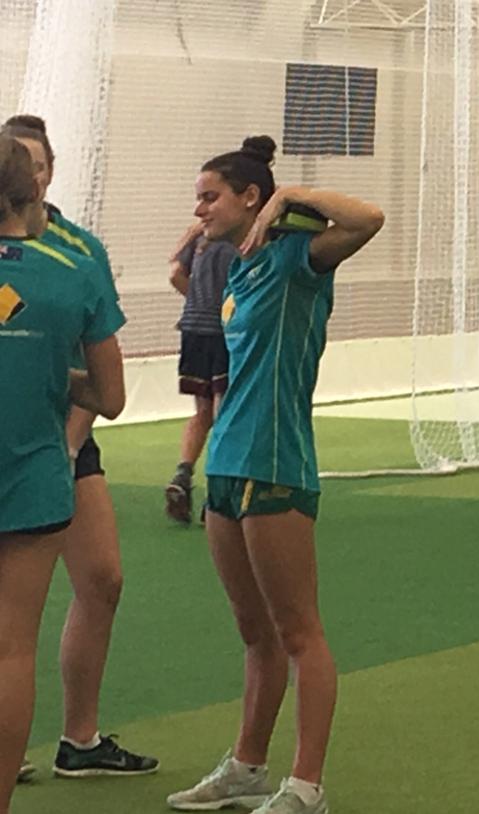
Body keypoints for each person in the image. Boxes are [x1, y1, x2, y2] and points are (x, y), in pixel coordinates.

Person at [164, 136, 383, 814]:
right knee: (252, 631)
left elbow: (367, 218)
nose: (198, 209)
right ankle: (246, 768)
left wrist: (289, 195)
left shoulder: (299, 258)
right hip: (226, 467)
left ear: (251, 198)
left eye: (209, 196)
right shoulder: (236, 267)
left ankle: (306, 787)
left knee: (298, 632)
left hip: (277, 463)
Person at [2, 114, 158, 783]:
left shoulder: (79, 251)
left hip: (52, 452)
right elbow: (111, 391)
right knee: (11, 648)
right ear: (25, 189)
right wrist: (47, 372)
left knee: (101, 580)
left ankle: (78, 738)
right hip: (33, 462)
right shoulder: (66, 273)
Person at [167, 221, 238, 524]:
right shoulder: (244, 236)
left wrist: (198, 302)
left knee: (202, 411)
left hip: (193, 329)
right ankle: (218, 490)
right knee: (226, 410)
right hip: (226, 331)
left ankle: (183, 472)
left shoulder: (199, 233)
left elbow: (175, 273)